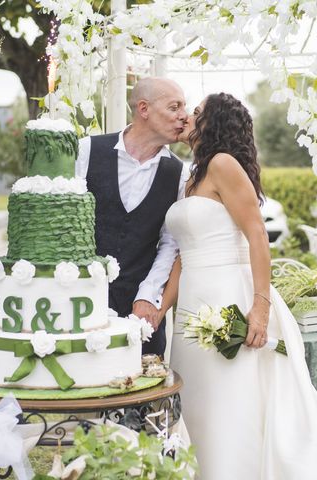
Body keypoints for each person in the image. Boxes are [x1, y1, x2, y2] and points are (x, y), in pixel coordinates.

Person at [160, 93, 317, 479]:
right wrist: (160, 308)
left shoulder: (223, 165)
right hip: (193, 305)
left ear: (215, 124)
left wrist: (259, 308)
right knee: (197, 399)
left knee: (230, 399)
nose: (188, 118)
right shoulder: (193, 175)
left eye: (197, 113)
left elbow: (258, 235)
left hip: (229, 297)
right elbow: (182, 254)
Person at [76, 77, 189, 356]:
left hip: (140, 311)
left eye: (184, 108)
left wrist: (148, 295)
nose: (184, 116)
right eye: (175, 107)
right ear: (144, 109)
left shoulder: (179, 174)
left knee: (144, 393)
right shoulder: (87, 150)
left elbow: (170, 244)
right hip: (80, 302)